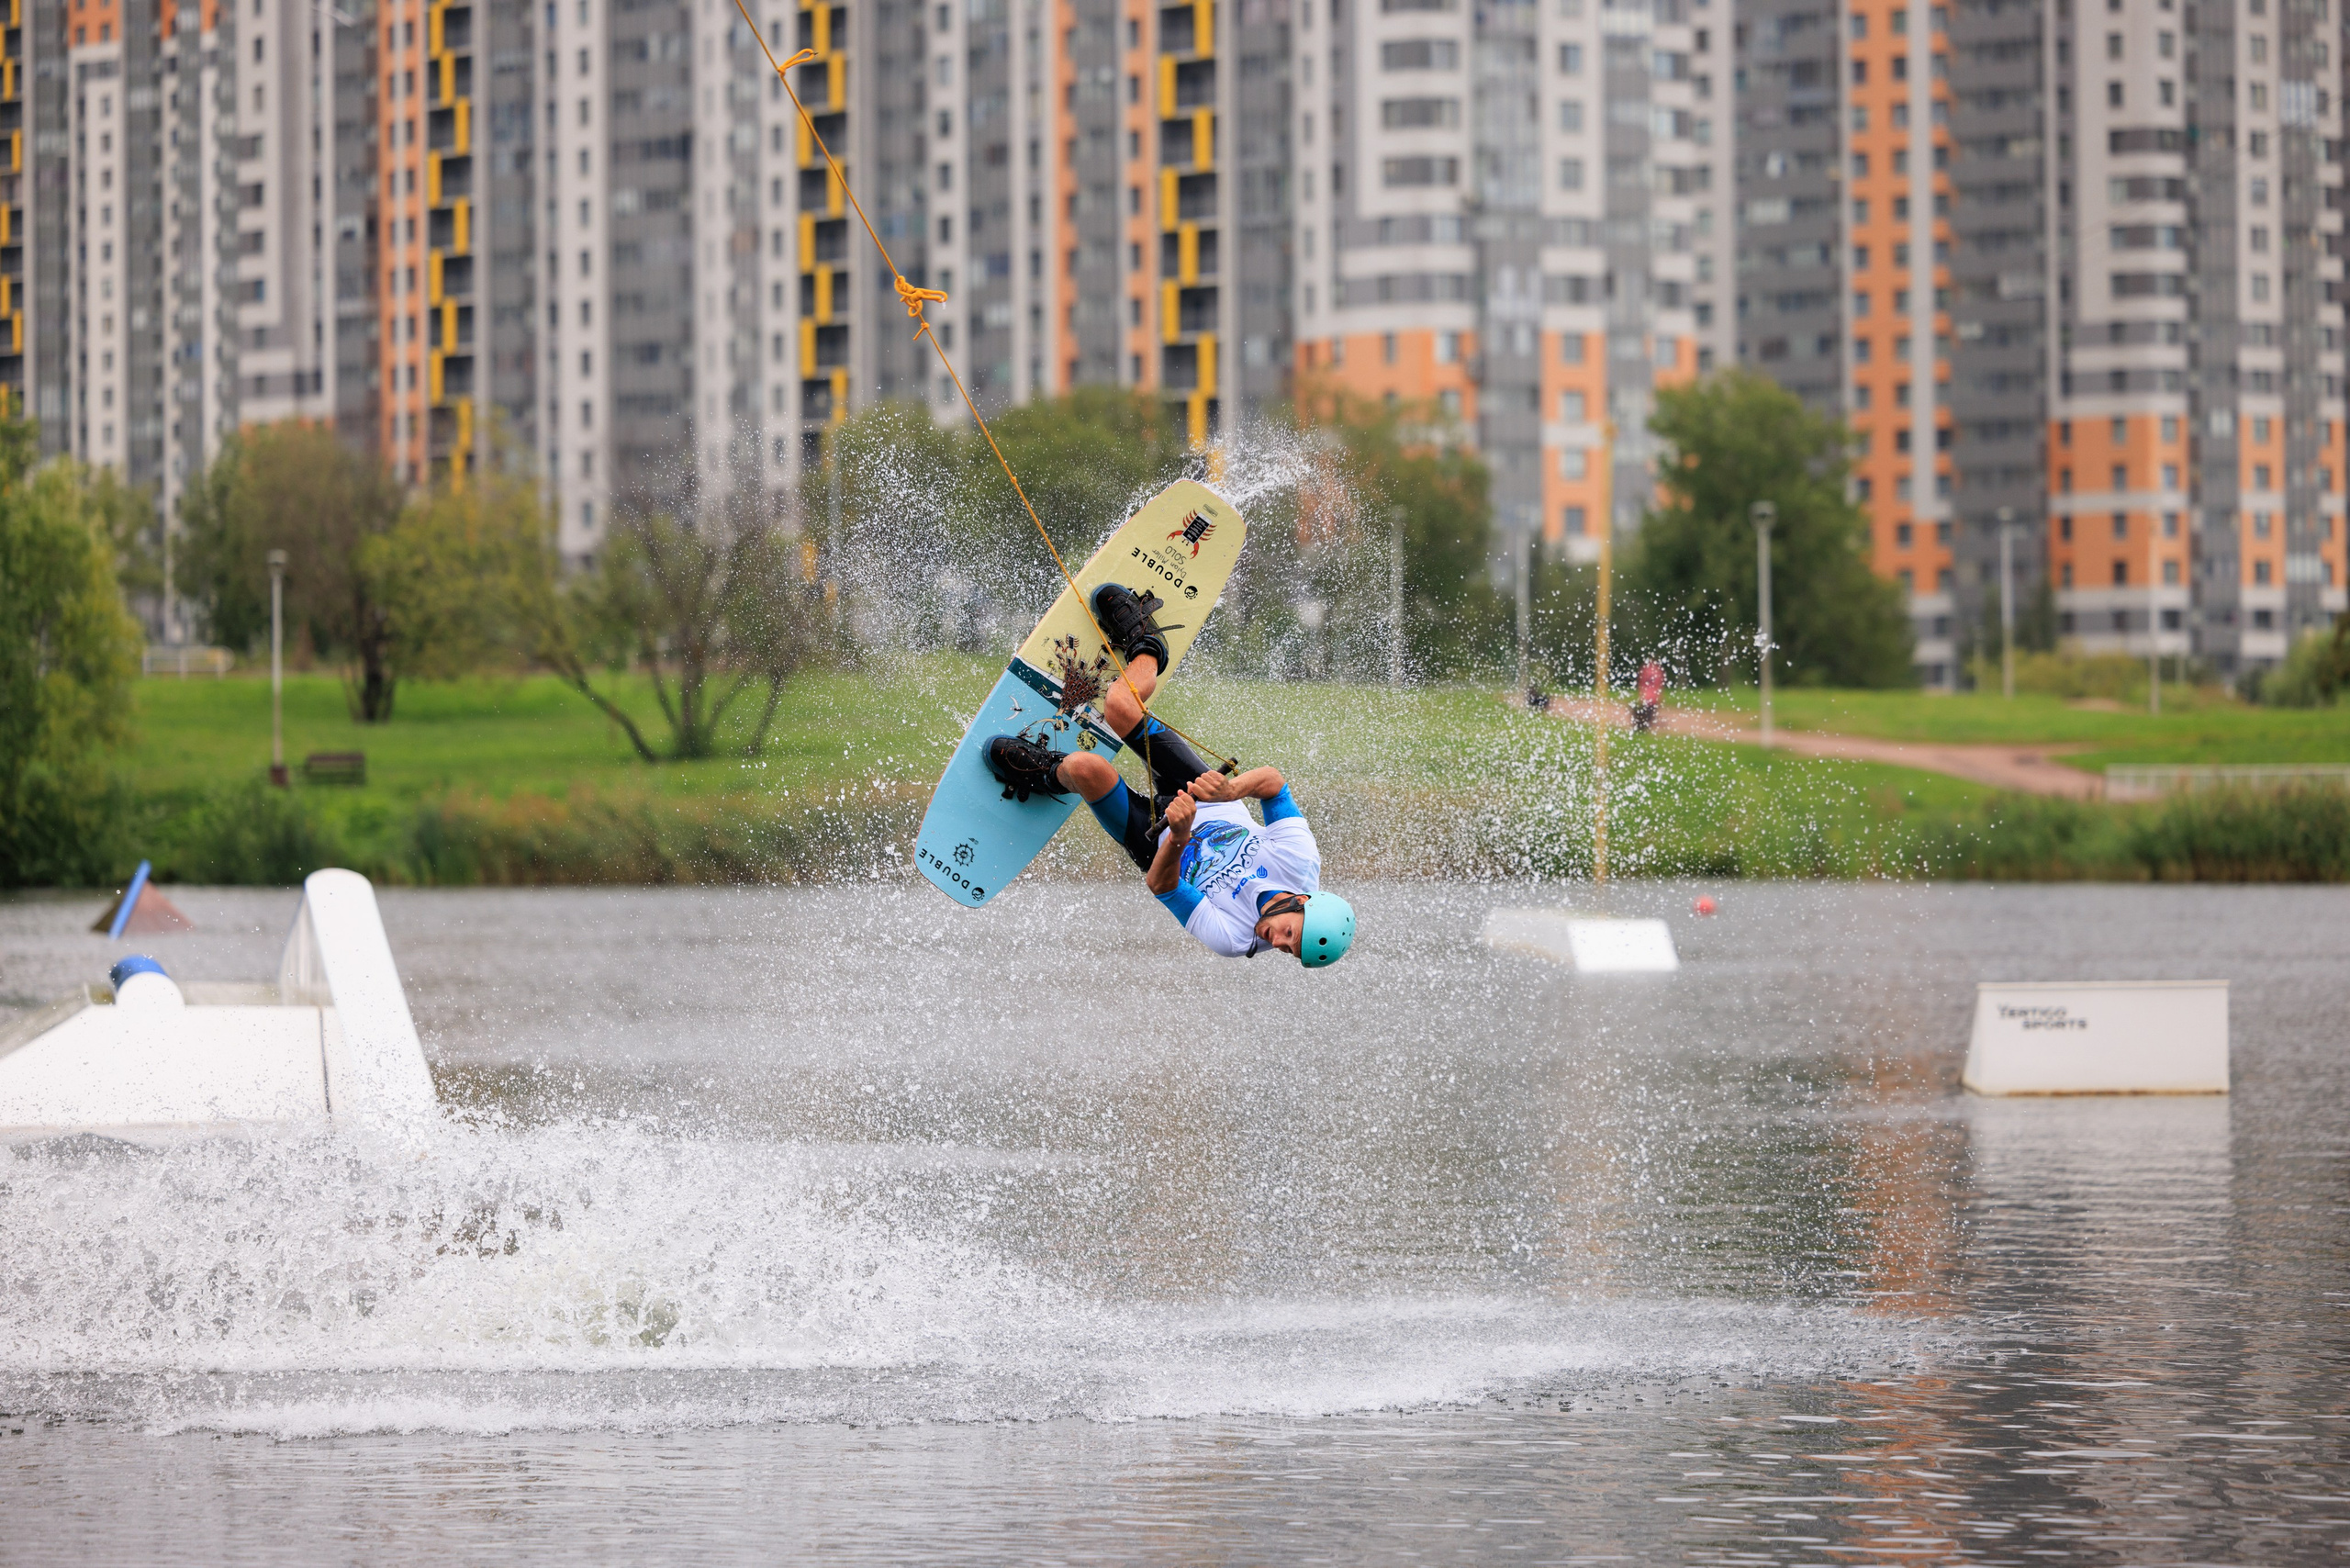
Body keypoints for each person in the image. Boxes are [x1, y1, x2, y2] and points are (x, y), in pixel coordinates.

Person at [984, 583, 1357, 967]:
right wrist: (1230, 790)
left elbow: (1162, 886)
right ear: (1302, 900)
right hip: (1202, 797)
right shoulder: (1300, 864)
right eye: (1290, 934)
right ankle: (1147, 644)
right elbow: (1274, 786)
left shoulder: (1234, 939)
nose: (1276, 942)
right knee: (1118, 706)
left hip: (1157, 845)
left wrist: (1178, 836)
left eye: (1287, 951)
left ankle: (1047, 774)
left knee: (1085, 767)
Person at [1631, 658, 1666, 733]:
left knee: (1645, 713)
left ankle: (1641, 726)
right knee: (1650, 713)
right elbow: (1660, 683)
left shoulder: (1646, 669)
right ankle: (1645, 726)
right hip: (1653, 696)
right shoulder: (1657, 670)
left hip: (1646, 695)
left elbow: (1641, 681)